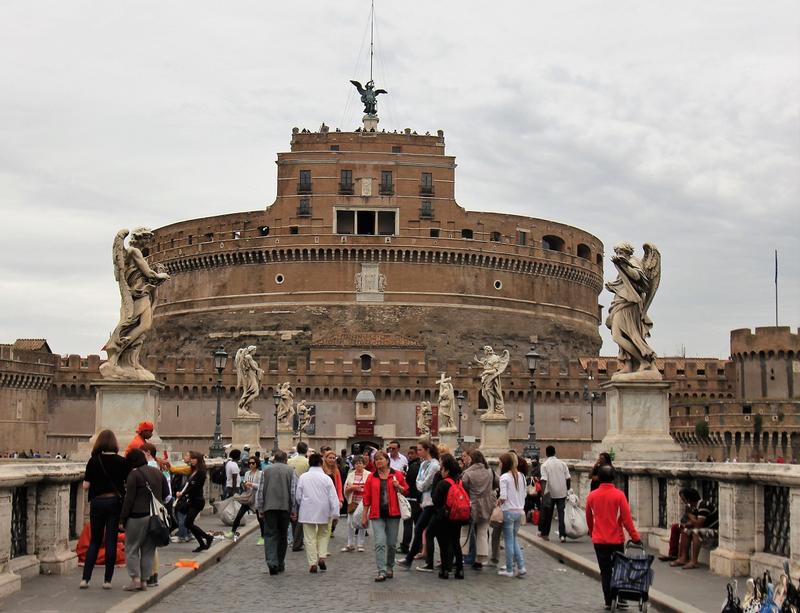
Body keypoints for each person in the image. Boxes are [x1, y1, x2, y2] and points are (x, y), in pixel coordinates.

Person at [585, 465, 641, 610]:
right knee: (619, 569)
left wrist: (592, 532)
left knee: (605, 571)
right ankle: (621, 598)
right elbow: (627, 519)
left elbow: (589, 517)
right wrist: (635, 537)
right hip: (616, 539)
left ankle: (608, 600)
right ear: (613, 478)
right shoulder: (619, 495)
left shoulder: (592, 496)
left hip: (599, 539)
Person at [79, 429, 128, 589]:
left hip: (97, 503)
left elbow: (86, 485)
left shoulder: (94, 461)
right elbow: (126, 483)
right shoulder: (121, 461)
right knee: (111, 541)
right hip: (114, 502)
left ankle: (85, 579)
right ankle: (107, 580)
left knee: (95, 540)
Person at [119, 449, 168, 591]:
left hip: (137, 516)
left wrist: (122, 519)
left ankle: (135, 579)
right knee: (148, 550)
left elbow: (129, 500)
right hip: (155, 518)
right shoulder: (158, 473)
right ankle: (145, 581)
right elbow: (166, 494)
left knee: (132, 548)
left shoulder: (134, 475)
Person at [361, 450, 409, 582]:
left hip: (393, 514)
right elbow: (367, 497)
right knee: (380, 543)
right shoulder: (372, 477)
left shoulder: (397, 474)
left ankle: (389, 567)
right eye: (376, 460)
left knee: (392, 544)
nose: (378, 462)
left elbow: (406, 490)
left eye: (381, 459)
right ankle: (381, 570)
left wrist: (398, 486)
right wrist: (364, 515)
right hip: (377, 514)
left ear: (387, 460)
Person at [397, 440, 440, 571]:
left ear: (427, 450)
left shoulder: (434, 465)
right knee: (427, 532)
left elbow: (426, 483)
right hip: (425, 501)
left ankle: (411, 559)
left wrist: (420, 485)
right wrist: (420, 485)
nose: (418, 452)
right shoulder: (423, 464)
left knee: (421, 529)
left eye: (420, 449)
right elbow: (418, 481)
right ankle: (425, 561)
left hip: (432, 502)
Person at [294, 453, 339, 573]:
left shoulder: (303, 477)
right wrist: (335, 513)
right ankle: (322, 556)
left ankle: (312, 562)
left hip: (307, 511)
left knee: (309, 538)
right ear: (321, 463)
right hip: (324, 511)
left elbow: (298, 496)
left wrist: (302, 504)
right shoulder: (326, 478)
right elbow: (333, 497)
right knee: (324, 534)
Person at [255, 449, 296, 575]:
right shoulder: (291, 471)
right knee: (282, 535)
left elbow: (260, 490)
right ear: (285, 459)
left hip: (269, 507)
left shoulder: (266, 470)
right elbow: (293, 492)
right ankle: (280, 562)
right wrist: (294, 509)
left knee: (270, 534)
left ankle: (272, 562)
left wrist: (260, 508)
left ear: (274, 459)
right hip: (285, 507)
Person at [431, 453, 465, 580]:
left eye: (442, 468)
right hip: (457, 517)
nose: (440, 470)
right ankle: (460, 571)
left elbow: (435, 500)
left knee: (443, 544)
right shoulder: (460, 482)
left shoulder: (442, 484)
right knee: (456, 542)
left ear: (447, 469)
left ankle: (445, 570)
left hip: (444, 517)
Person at [461, 449, 497, 570]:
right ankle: (480, 559)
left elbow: (463, 487)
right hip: (487, 504)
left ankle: (462, 553)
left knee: (465, 530)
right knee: (482, 532)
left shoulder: (467, 473)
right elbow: (497, 483)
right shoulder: (489, 470)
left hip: (472, 504)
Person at [176, 451, 214, 553]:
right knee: (188, 523)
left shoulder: (201, 472)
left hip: (197, 501)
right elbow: (188, 485)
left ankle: (207, 538)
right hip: (191, 500)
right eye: (191, 458)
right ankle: (202, 543)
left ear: (198, 460)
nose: (191, 460)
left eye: (193, 458)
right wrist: (182, 492)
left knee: (188, 523)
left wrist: (182, 494)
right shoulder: (193, 470)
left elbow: (195, 487)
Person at [669, 488, 717, 569]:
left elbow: (698, 524)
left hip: (714, 530)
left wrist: (689, 514)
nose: (683, 501)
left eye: (683, 499)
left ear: (689, 499)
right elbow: (693, 521)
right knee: (686, 530)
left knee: (696, 532)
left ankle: (694, 561)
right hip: (705, 529)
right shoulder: (694, 507)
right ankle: (683, 558)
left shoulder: (703, 505)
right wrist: (687, 524)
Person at [497, 452, 526, 577]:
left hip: (508, 511)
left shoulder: (504, 477)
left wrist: (498, 501)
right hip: (519, 511)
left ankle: (509, 569)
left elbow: (503, 496)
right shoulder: (522, 476)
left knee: (509, 541)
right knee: (514, 539)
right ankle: (521, 566)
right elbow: (524, 494)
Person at [226, 456, 264, 543]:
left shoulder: (261, 474)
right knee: (239, 515)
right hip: (248, 498)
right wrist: (245, 485)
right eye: (249, 463)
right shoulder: (247, 473)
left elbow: (261, 486)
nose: (251, 465)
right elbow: (245, 485)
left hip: (256, 498)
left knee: (260, 519)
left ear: (257, 464)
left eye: (253, 463)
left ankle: (263, 536)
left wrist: (252, 485)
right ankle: (232, 531)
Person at [539, 444, 571, 543]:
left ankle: (545, 534)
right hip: (562, 492)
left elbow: (544, 480)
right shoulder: (562, 463)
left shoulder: (544, 465)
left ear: (546, 453)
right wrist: (567, 489)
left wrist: (543, 495)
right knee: (561, 514)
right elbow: (568, 478)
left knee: (548, 514)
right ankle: (562, 535)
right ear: (555, 452)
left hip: (550, 493)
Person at [342, 455, 369, 552]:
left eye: (360, 463)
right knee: (350, 523)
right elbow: (345, 489)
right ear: (354, 465)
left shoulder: (369, 475)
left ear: (364, 465)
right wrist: (352, 488)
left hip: (364, 502)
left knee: (362, 522)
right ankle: (350, 544)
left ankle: (360, 544)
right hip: (353, 501)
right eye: (356, 463)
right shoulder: (350, 475)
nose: (358, 465)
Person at [288, 441, 310, 551]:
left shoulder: (289, 461)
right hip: (303, 491)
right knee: (301, 517)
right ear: (306, 450)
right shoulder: (307, 462)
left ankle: (293, 539)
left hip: (290, 490)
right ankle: (298, 541)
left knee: (293, 517)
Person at [400, 444, 421, 554]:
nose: (409, 455)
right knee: (418, 524)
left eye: (412, 453)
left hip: (412, 498)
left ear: (417, 454)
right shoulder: (417, 465)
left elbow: (410, 483)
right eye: (409, 453)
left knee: (408, 523)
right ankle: (420, 547)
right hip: (417, 499)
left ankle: (405, 546)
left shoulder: (414, 466)